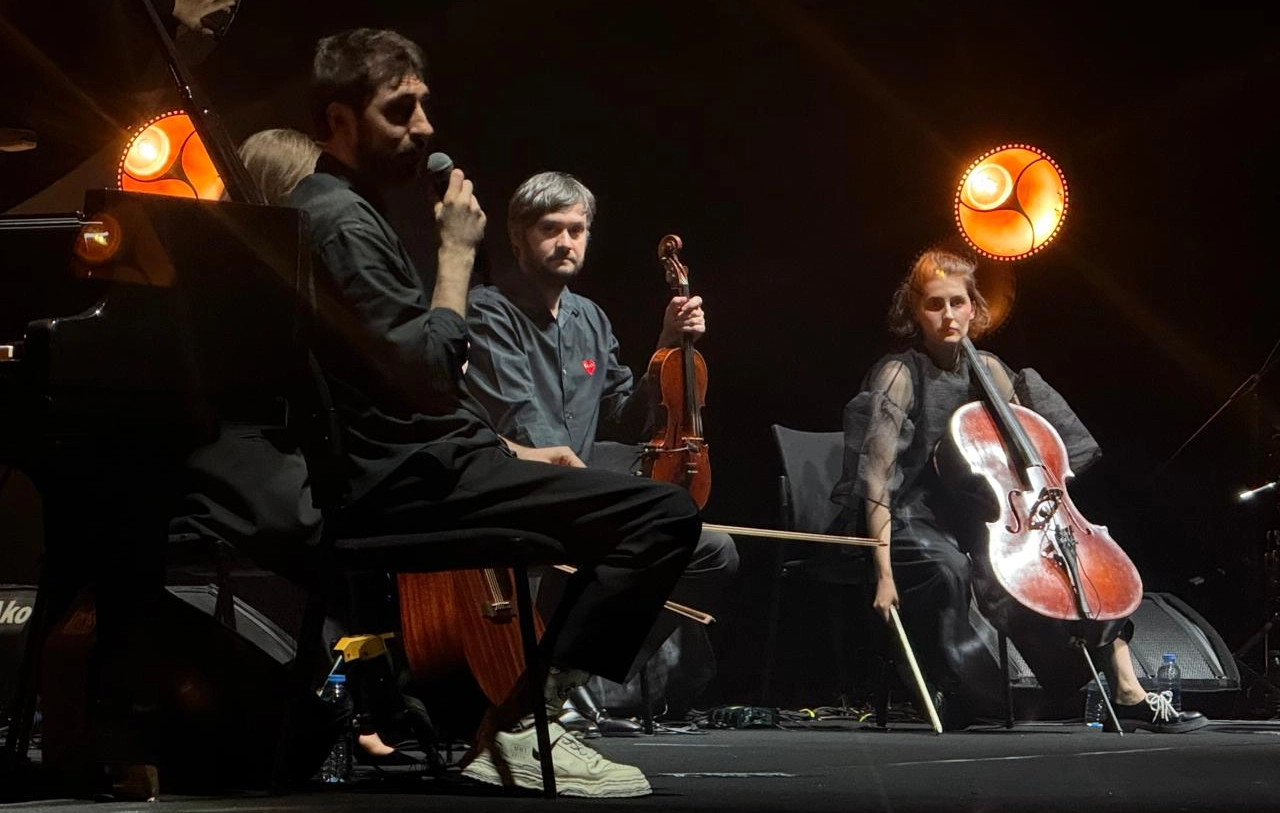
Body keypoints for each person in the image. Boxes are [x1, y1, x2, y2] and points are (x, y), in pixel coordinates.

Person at [284, 27, 701, 798]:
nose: (424, 127)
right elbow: (430, 375)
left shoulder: (337, 210)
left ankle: (523, 719)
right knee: (663, 516)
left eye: (424, 105)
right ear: (339, 119)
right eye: (400, 109)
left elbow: (613, 407)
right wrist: (454, 253)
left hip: (429, 462)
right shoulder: (342, 222)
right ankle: (526, 723)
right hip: (411, 480)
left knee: (667, 516)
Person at [830, 248, 1208, 733]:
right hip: (914, 515)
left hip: (983, 511)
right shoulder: (900, 375)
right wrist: (883, 573)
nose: (948, 315)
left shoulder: (990, 370)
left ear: (974, 308)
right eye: (934, 305)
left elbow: (1027, 452)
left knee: (1065, 564)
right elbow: (877, 479)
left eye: (958, 302)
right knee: (947, 569)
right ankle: (952, 687)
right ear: (915, 313)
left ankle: (1127, 689)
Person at [464, 171, 738, 731]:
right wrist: (604, 495)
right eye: (550, 228)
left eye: (577, 230)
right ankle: (547, 685)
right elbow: (527, 426)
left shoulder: (590, 318)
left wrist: (666, 347)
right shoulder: (488, 311)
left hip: (579, 500)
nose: (566, 241)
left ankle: (569, 678)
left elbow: (623, 416)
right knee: (650, 528)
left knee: (714, 550)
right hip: (516, 498)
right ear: (517, 236)